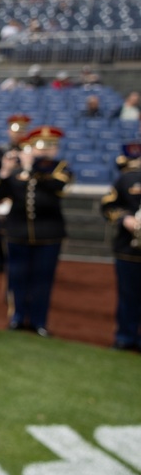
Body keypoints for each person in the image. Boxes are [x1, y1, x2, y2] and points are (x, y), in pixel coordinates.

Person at [0, 126, 72, 338]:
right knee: (17, 276)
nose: (45, 151)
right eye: (40, 146)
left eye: (49, 147)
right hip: (17, 233)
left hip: (49, 235)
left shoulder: (61, 168)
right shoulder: (17, 170)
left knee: (43, 279)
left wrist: (30, 168)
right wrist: (5, 170)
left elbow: (59, 188)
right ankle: (18, 316)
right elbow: (0, 195)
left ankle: (39, 320)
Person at [101, 140, 141, 351]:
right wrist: (125, 219)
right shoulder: (127, 178)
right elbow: (108, 204)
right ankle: (125, 337)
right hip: (129, 250)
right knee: (128, 296)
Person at [0, 113, 31, 274]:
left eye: (22, 130)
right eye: (15, 130)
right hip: (3, 195)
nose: (18, 134)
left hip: (23, 195)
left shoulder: (30, 152)